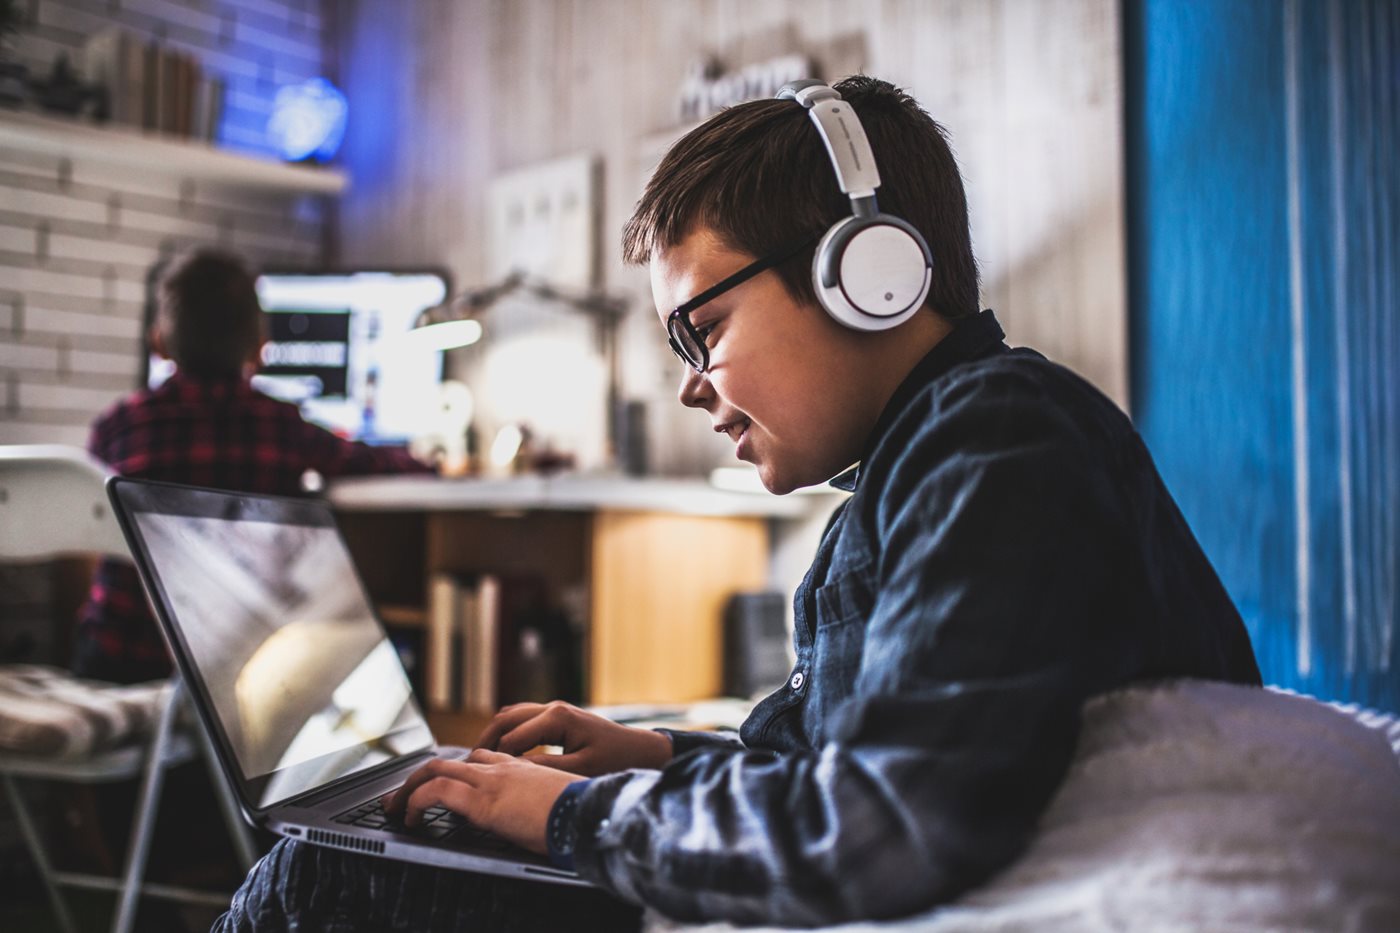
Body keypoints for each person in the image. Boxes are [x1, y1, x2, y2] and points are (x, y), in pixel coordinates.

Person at [215, 76, 1260, 930]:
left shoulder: (998, 440)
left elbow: (884, 823)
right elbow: (841, 753)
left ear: (870, 272)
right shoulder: (918, 470)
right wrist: (654, 754)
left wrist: (576, 815)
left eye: (701, 330)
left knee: (324, 879)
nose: (688, 384)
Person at [74, 247, 433, 685]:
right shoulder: (279, 425)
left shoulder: (117, 426)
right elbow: (370, 461)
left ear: (159, 342)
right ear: (260, 348)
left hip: (117, 664)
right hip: (226, 677)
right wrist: (430, 462)